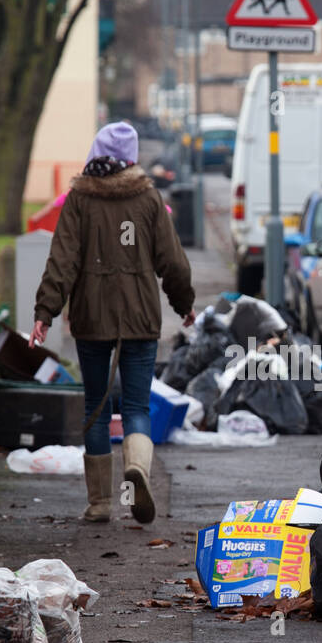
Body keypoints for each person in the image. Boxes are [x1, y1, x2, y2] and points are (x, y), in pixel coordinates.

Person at [31, 121, 196, 524]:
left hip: (92, 318)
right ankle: (137, 469)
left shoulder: (79, 200)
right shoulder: (149, 199)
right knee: (137, 405)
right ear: (133, 157)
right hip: (140, 316)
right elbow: (172, 262)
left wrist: (44, 313)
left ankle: (100, 502)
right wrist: (184, 304)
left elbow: (62, 261)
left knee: (96, 406)